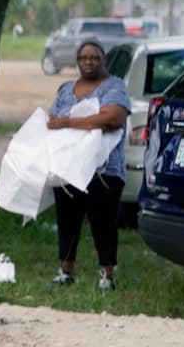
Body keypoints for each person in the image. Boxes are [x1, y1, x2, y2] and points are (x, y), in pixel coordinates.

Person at [45, 40, 130, 289]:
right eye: (84, 57)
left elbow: (113, 117)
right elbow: (53, 119)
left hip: (103, 170)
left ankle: (107, 275)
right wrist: (88, 122)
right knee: (67, 219)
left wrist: (69, 123)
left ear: (103, 60)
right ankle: (66, 271)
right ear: (77, 61)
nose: (89, 62)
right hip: (68, 167)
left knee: (103, 222)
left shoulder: (114, 86)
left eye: (95, 57)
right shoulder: (66, 89)